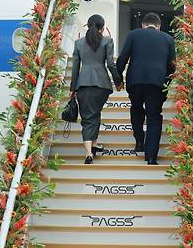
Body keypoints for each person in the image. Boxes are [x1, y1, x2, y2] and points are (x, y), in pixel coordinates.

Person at [117, 13, 176, 165]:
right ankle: (151, 157)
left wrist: (118, 79)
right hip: (157, 83)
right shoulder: (168, 39)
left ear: (143, 24)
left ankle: (139, 141)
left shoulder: (133, 34)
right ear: (158, 26)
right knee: (154, 116)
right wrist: (167, 83)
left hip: (135, 81)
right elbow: (172, 66)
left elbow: (123, 57)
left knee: (136, 108)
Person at [70, 14, 124, 164]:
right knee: (94, 114)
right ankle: (92, 148)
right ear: (102, 27)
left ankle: (89, 153)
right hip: (102, 85)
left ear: (87, 26)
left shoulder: (79, 43)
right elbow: (111, 64)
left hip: (83, 83)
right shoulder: (107, 41)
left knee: (88, 117)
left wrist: (72, 88)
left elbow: (75, 68)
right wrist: (118, 81)